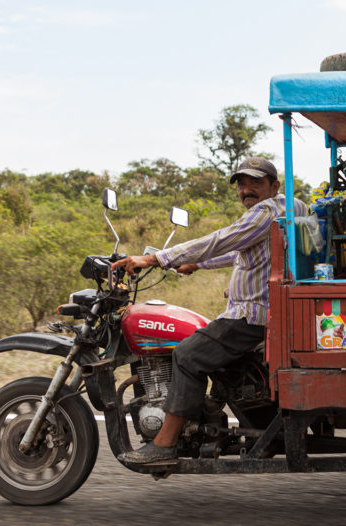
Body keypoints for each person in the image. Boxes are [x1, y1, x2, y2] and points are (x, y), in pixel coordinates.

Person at [112, 157, 308, 464]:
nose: (247, 191)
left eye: (255, 183)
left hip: (251, 316)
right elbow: (241, 249)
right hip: (265, 312)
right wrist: (196, 263)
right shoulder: (290, 206)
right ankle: (260, 430)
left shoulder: (265, 212)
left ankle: (164, 443)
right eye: (242, 185)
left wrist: (155, 259)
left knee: (187, 355)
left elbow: (221, 239)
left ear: (273, 186)